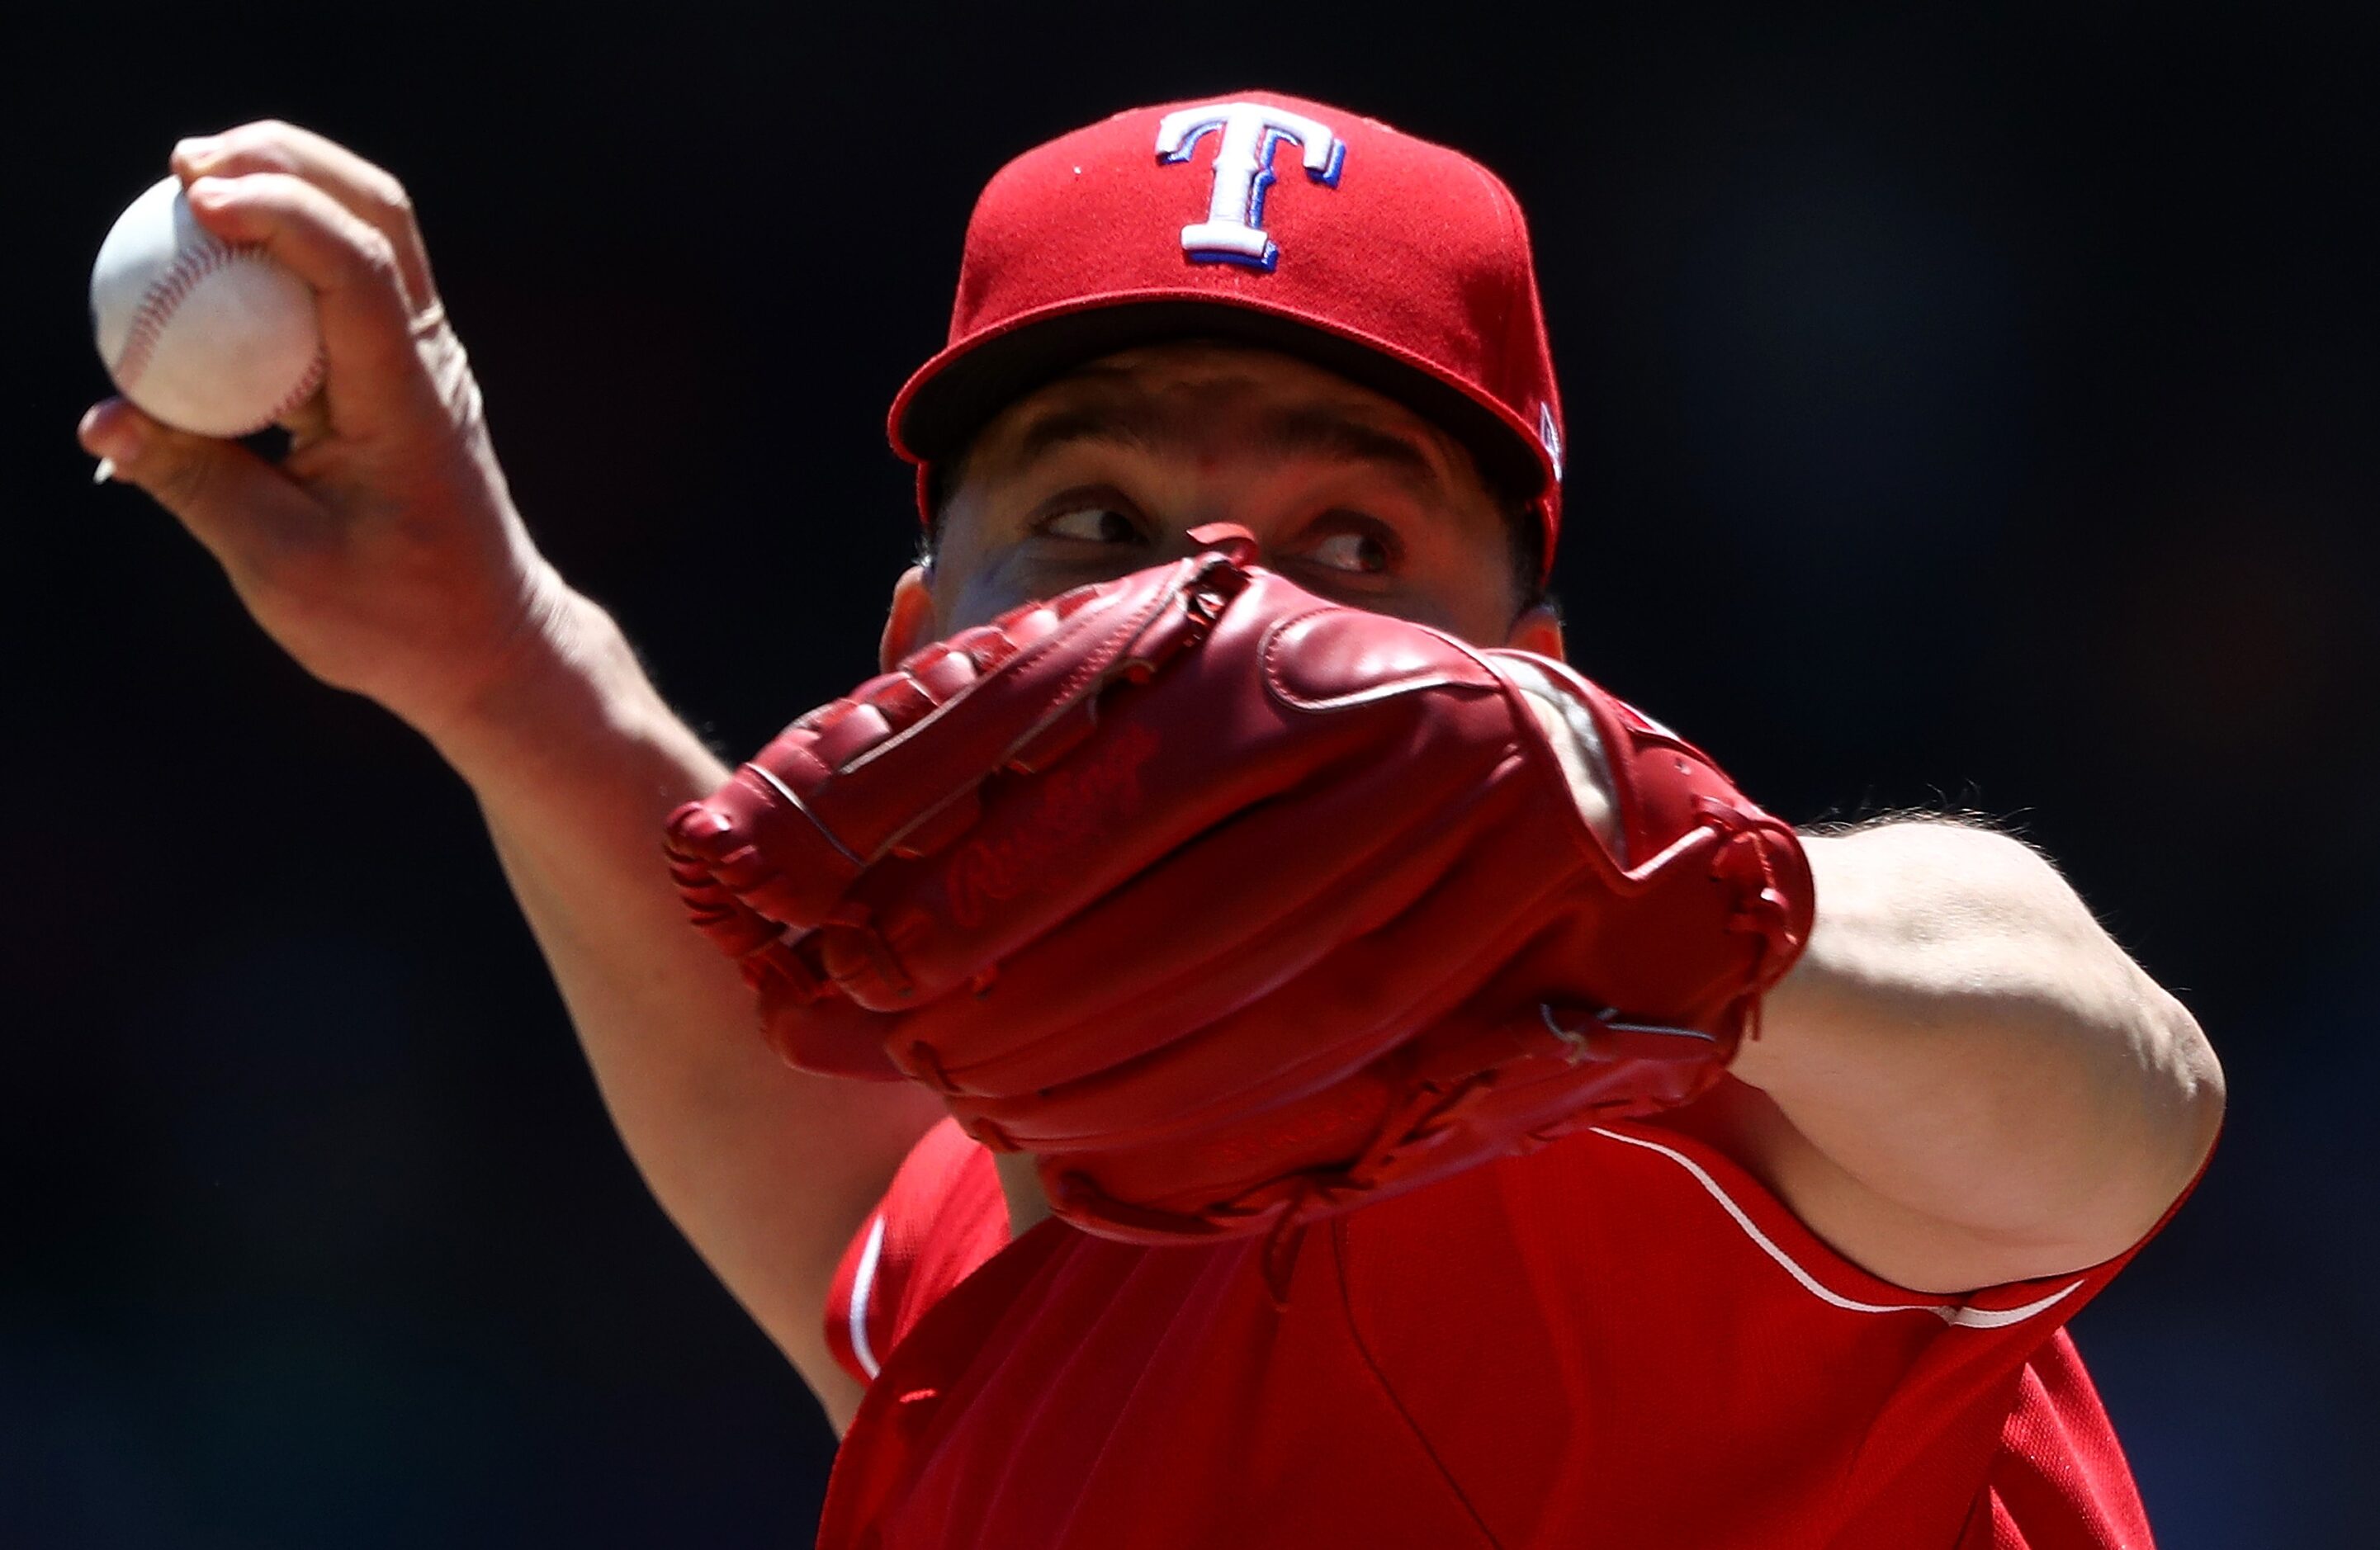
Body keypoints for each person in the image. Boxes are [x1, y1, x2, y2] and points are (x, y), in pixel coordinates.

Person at [79, 92, 2223, 1549]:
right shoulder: (1002, 1250)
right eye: (1092, 516)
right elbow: (846, 1198)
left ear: (1545, 671)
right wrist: (499, 659)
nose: (1213, 611)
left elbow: (2102, 1090)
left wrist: (1653, 888)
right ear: (917, 645)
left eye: (1351, 538)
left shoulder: (1690, 1138)